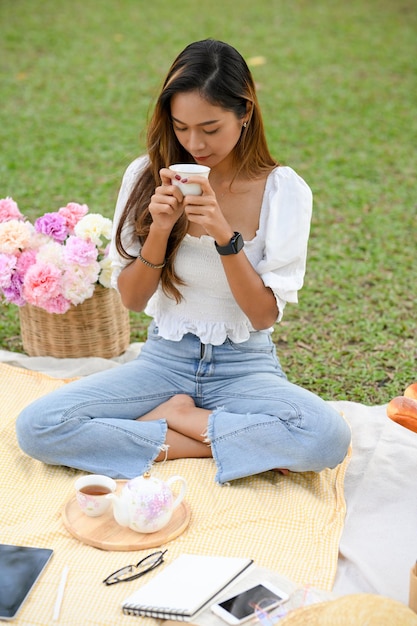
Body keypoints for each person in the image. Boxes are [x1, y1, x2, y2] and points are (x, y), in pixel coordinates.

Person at [16, 39, 351, 484]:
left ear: (245, 112)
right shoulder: (144, 175)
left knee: (326, 438)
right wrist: (159, 228)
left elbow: (264, 314)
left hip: (244, 367)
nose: (195, 143)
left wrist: (222, 234)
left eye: (211, 128)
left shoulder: (282, 190)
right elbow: (133, 299)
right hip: (163, 362)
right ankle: (225, 443)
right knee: (38, 427)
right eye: (181, 127)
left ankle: (182, 423)